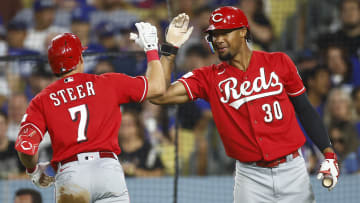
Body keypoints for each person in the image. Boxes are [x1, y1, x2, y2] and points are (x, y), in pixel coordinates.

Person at [151, 7, 339, 202]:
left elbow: (305, 109)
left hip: (293, 170)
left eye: (225, 32)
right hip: (251, 177)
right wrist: (170, 49)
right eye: (213, 35)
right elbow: (159, 96)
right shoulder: (208, 77)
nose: (218, 39)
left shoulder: (279, 62)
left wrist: (329, 154)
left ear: (243, 32)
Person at [15, 21, 165, 202]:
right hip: (107, 170)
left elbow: (26, 149)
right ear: (79, 58)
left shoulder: (41, 100)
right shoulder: (107, 82)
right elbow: (157, 87)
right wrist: (151, 49)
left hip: (70, 175)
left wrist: (33, 172)